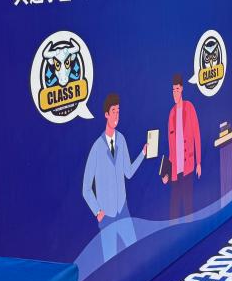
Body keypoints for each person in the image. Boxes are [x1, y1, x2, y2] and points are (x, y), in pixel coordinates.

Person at [81, 93, 149, 262]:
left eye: (118, 112)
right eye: (113, 112)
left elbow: (128, 172)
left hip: (122, 210)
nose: (116, 116)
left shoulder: (122, 140)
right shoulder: (97, 148)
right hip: (106, 217)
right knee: (110, 260)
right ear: (106, 114)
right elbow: (86, 188)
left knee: (135, 251)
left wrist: (142, 154)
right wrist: (98, 211)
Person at [163, 73, 202, 220]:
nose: (175, 93)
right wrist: (167, 173)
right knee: (174, 208)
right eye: (173, 90)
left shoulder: (189, 107)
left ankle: (190, 229)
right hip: (175, 169)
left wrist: (198, 162)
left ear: (182, 89)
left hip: (188, 166)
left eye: (177, 89)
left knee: (188, 205)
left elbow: (197, 136)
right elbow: (170, 149)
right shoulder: (171, 114)